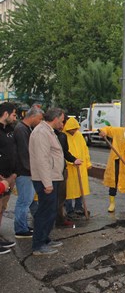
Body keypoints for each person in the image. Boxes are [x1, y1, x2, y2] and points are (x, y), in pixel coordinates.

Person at [29, 108, 66, 255]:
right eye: (62, 120)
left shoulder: (47, 131)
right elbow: (42, 160)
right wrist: (47, 183)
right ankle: (38, 245)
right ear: (55, 118)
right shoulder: (41, 133)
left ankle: (45, 239)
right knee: (45, 212)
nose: (62, 123)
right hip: (46, 179)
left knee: (50, 211)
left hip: (52, 177)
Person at [13, 105, 44, 239]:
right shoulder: (21, 130)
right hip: (25, 172)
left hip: (26, 171)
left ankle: (23, 226)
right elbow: (25, 153)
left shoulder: (25, 129)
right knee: (24, 201)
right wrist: (32, 170)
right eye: (40, 119)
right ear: (33, 116)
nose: (40, 121)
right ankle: (20, 229)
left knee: (27, 200)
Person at [55, 117, 82, 226]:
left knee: (61, 197)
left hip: (61, 169)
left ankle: (60, 218)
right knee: (54, 197)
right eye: (61, 122)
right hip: (53, 170)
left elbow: (65, 152)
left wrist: (74, 159)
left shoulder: (62, 136)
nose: (62, 125)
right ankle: (54, 219)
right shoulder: (53, 135)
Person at [63, 117, 91, 217]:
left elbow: (85, 149)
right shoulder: (63, 136)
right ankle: (69, 209)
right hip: (69, 167)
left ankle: (78, 207)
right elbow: (63, 153)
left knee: (80, 188)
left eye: (76, 129)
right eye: (72, 129)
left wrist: (88, 163)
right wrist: (71, 162)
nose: (74, 131)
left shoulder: (79, 135)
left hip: (80, 166)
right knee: (69, 190)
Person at [0, 102, 18, 254]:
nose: (15, 117)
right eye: (13, 114)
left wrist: (14, 174)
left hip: (10, 177)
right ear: (5, 114)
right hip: (1, 178)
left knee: (2, 209)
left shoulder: (10, 130)